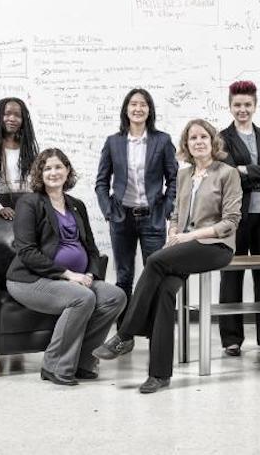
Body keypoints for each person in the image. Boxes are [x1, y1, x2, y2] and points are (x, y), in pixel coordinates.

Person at [93, 119, 242, 394]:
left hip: (216, 246)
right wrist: (174, 230)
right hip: (184, 246)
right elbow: (175, 214)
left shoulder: (227, 173)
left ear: (212, 141)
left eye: (203, 137)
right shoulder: (184, 175)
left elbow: (230, 221)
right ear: (186, 145)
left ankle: (125, 335)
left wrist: (188, 237)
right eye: (192, 138)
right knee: (164, 293)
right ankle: (159, 375)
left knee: (154, 260)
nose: (198, 142)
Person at [6, 148, 126, 385]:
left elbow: (90, 247)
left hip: (74, 278)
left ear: (67, 170)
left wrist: (91, 273)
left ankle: (83, 360)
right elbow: (27, 252)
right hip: (29, 280)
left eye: (58, 167)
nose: (53, 172)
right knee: (82, 298)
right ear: (40, 173)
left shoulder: (76, 205)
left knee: (116, 296)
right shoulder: (29, 203)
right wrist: (68, 274)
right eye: (47, 168)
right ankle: (54, 366)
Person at [95, 88, 178, 331]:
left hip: (152, 217)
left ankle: (154, 330)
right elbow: (102, 181)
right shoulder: (114, 142)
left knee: (156, 274)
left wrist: (165, 209)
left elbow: (174, 179)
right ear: (126, 109)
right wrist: (109, 211)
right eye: (133, 104)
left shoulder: (162, 141)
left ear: (149, 110)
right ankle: (125, 331)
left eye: (143, 104)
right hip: (122, 218)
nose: (138, 108)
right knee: (124, 277)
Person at [217, 81, 260, 356]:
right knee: (231, 273)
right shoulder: (222, 138)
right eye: (237, 105)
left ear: (255, 106)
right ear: (230, 106)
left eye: (247, 105)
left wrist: (249, 171)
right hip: (237, 215)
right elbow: (230, 172)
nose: (242, 109)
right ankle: (231, 339)